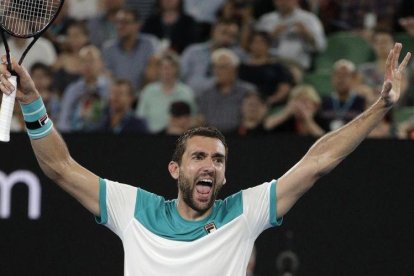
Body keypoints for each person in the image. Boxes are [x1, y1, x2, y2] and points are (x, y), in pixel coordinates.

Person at [0, 43, 410, 275]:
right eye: (199, 156)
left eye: (218, 159)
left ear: (225, 174)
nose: (210, 165)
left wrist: (379, 107)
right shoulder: (133, 209)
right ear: (175, 169)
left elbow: (317, 161)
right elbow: (60, 168)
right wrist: (33, 102)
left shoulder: (244, 212)